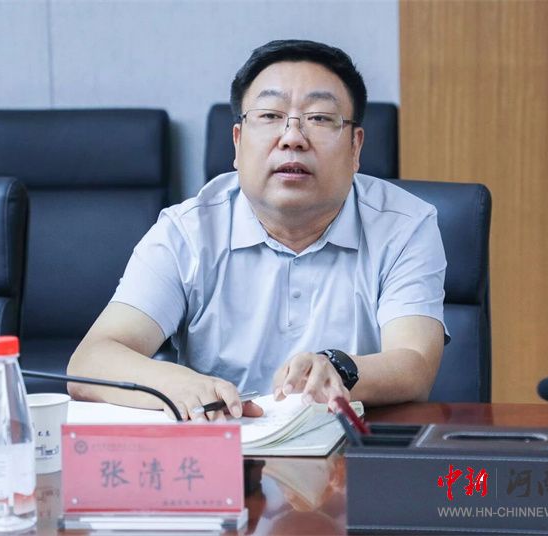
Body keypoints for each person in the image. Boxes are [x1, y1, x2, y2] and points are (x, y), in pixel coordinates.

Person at [67, 39, 448, 421]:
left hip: (353, 446)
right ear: (237, 142)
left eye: (319, 118)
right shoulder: (187, 233)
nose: (292, 137)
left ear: (355, 148)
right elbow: (91, 360)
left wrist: (338, 368)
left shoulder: (404, 226)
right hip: (223, 447)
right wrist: (172, 382)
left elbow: (414, 364)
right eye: (269, 115)